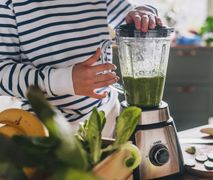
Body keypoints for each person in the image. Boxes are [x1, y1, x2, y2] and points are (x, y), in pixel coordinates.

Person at [0, 0, 162, 137]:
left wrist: (143, 12)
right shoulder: (9, 4)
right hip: (47, 127)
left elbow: (131, 16)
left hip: (108, 117)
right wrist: (63, 80)